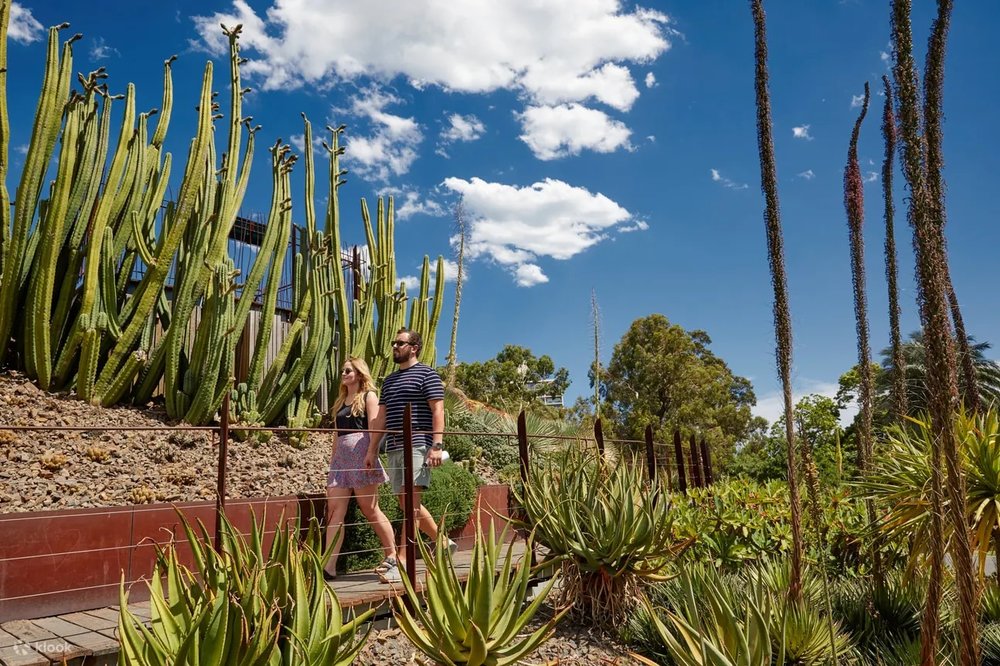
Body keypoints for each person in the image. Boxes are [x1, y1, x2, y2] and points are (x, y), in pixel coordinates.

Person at [366, 328, 456, 565]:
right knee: (404, 502)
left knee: (411, 502)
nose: (395, 347)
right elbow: (381, 418)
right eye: (394, 343)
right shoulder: (389, 381)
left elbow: (438, 411)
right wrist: (372, 449)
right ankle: (442, 542)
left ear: (414, 348)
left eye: (400, 343)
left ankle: (403, 560)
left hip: (418, 444)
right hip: (394, 447)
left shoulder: (428, 375)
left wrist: (437, 445)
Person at [324, 357, 400, 583]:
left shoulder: (369, 397)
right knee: (334, 511)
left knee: (370, 509)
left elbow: (375, 428)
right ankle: (329, 565)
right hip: (341, 461)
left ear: (359, 373)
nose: (343, 374)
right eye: (342, 370)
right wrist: (333, 463)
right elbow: (337, 435)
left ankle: (392, 555)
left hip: (362, 457)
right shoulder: (340, 401)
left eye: (348, 370)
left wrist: (371, 453)